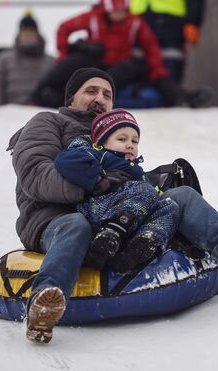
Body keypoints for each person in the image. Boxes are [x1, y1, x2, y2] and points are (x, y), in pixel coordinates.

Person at [8, 67, 218, 344]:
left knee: (181, 197)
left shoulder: (112, 133)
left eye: (107, 95)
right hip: (55, 218)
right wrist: (99, 184)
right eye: (90, 91)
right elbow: (35, 174)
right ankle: (44, 303)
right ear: (70, 99)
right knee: (76, 225)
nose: (100, 99)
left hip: (111, 213)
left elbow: (129, 177)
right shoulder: (48, 122)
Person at [29, 0, 209, 109]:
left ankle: (183, 98)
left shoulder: (135, 23)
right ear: (106, 9)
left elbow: (150, 46)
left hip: (121, 66)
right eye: (115, 11)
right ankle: (41, 94)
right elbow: (63, 29)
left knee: (148, 74)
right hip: (94, 61)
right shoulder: (92, 17)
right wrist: (65, 51)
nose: (119, 15)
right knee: (71, 66)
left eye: (123, 10)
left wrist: (156, 68)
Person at [54, 108, 180, 272]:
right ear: (101, 143)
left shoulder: (137, 171)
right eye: (122, 139)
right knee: (144, 190)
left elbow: (153, 194)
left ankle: (143, 244)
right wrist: (98, 181)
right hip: (100, 208)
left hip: (132, 216)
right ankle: (108, 236)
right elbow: (65, 161)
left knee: (170, 206)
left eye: (135, 141)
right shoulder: (98, 154)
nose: (130, 144)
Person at [119, 0, 205, 83]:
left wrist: (193, 23)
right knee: (138, 64)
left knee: (170, 66)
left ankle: (172, 99)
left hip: (172, 22)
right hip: (139, 21)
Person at [0, 11, 54, 106]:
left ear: (37, 35)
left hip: (41, 113)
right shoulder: (4, 60)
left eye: (31, 34)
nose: (28, 38)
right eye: (25, 34)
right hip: (10, 114)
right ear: (19, 35)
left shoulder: (51, 62)